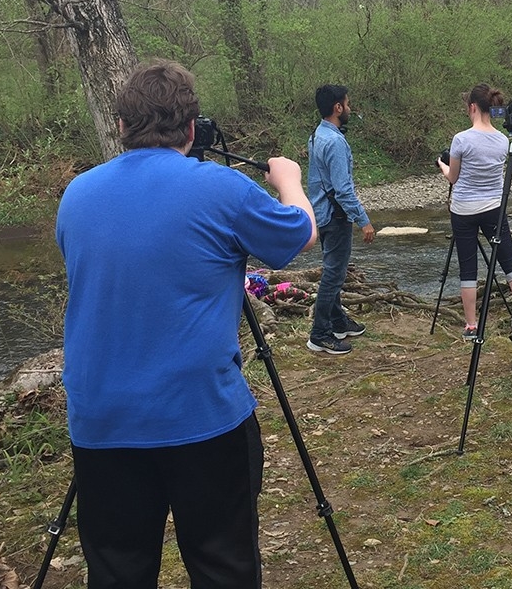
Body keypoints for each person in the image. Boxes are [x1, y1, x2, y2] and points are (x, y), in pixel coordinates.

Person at [55, 60, 317, 588]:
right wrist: (288, 178)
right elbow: (300, 234)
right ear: (193, 129)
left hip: (103, 421)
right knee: (223, 566)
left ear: (122, 126)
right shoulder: (221, 189)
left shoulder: (76, 195)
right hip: (202, 417)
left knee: (117, 572)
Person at [438, 84, 512, 338]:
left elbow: (454, 178)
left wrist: (442, 166)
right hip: (494, 208)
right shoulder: (503, 141)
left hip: (463, 210)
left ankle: (471, 326)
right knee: (510, 264)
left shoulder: (461, 139)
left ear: (472, 107)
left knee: (468, 267)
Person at [307, 84, 375, 355]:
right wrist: (364, 220)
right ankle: (320, 334)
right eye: (347, 104)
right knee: (334, 274)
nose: (350, 108)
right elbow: (342, 189)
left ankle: (338, 322)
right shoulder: (334, 141)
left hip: (324, 213)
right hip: (335, 216)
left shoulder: (318, 135)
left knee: (333, 270)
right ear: (338, 107)